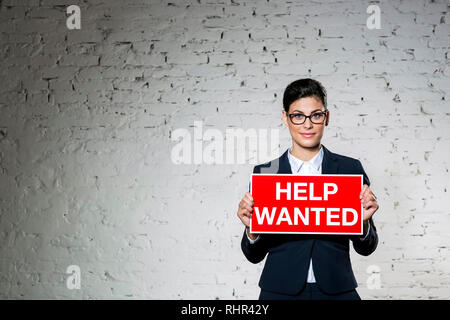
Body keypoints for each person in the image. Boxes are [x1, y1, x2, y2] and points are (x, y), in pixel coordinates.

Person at [237, 78, 379, 300]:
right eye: (298, 116)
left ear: (326, 117)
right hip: (280, 290)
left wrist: (363, 222)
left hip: (336, 288)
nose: (307, 124)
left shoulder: (350, 169)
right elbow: (253, 255)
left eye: (316, 115)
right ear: (286, 118)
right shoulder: (265, 173)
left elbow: (367, 248)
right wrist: (252, 231)